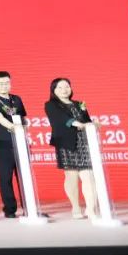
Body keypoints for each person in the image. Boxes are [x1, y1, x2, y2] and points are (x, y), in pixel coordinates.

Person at [45, 77, 98, 220]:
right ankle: (75, 206)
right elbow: (60, 119)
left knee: (88, 176)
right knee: (71, 176)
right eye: (60, 87)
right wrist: (76, 123)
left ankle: (90, 208)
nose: (64, 90)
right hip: (66, 144)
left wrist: (93, 124)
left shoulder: (79, 104)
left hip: (84, 143)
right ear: (54, 90)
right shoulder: (51, 105)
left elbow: (86, 121)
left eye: (67, 86)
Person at [0, 71, 28, 218]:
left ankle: (29, 207)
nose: (4, 86)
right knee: (5, 177)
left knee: (24, 175)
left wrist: (24, 128)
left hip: (20, 141)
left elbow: (23, 117)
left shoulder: (17, 99)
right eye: (0, 83)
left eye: (7, 83)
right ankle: (10, 209)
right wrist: (13, 127)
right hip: (2, 143)